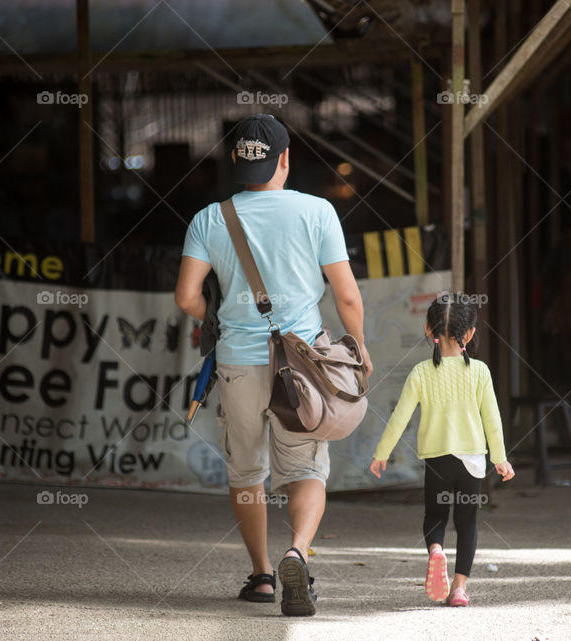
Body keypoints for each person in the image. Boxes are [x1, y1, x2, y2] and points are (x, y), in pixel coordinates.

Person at [175, 114, 373, 616]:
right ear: (285, 159)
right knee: (305, 466)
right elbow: (347, 296)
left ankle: (262, 576)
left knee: (246, 471)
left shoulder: (209, 218)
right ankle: (296, 553)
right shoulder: (318, 212)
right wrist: (360, 346)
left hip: (238, 363)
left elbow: (186, 297)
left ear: (238, 162)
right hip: (301, 365)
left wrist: (216, 317)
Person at [369, 294, 514, 607]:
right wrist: (500, 458)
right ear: (471, 333)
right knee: (467, 522)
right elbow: (493, 420)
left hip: (436, 459)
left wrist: (382, 454)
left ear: (427, 329)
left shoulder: (421, 372)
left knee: (435, 514)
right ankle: (459, 588)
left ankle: (436, 549)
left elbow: (399, 419)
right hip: (472, 459)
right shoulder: (479, 371)